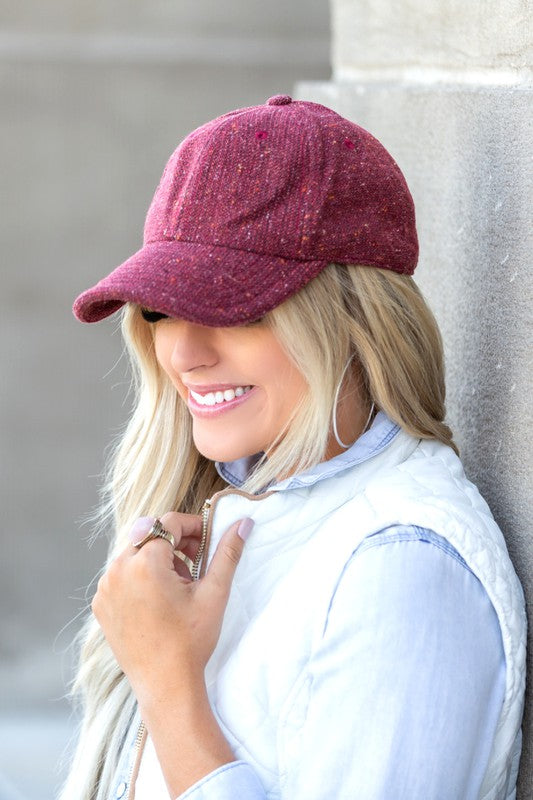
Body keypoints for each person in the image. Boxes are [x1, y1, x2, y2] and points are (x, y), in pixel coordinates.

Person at [63, 95, 526, 800]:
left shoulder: (402, 568)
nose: (181, 352)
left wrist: (169, 686)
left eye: (236, 308)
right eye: (160, 310)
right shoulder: (219, 509)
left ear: (354, 321)